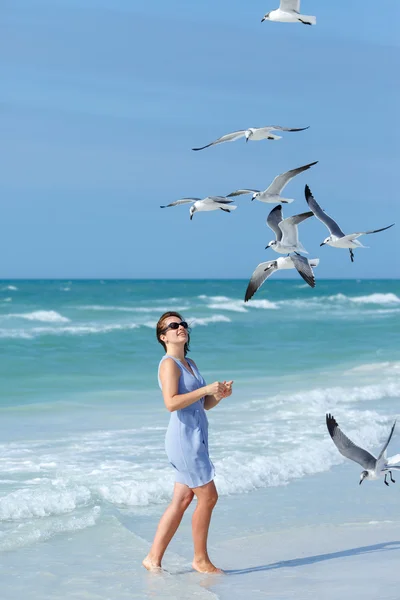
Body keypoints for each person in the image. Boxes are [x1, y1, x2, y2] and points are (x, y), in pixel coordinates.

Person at [142, 311, 233, 574]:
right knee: (209, 497)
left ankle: (152, 558)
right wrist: (205, 389)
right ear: (163, 336)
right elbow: (171, 403)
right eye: (173, 325)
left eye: (183, 324)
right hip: (184, 440)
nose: (180, 327)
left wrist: (218, 395)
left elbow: (203, 404)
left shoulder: (190, 362)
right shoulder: (168, 363)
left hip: (195, 437)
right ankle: (200, 560)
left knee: (181, 501)